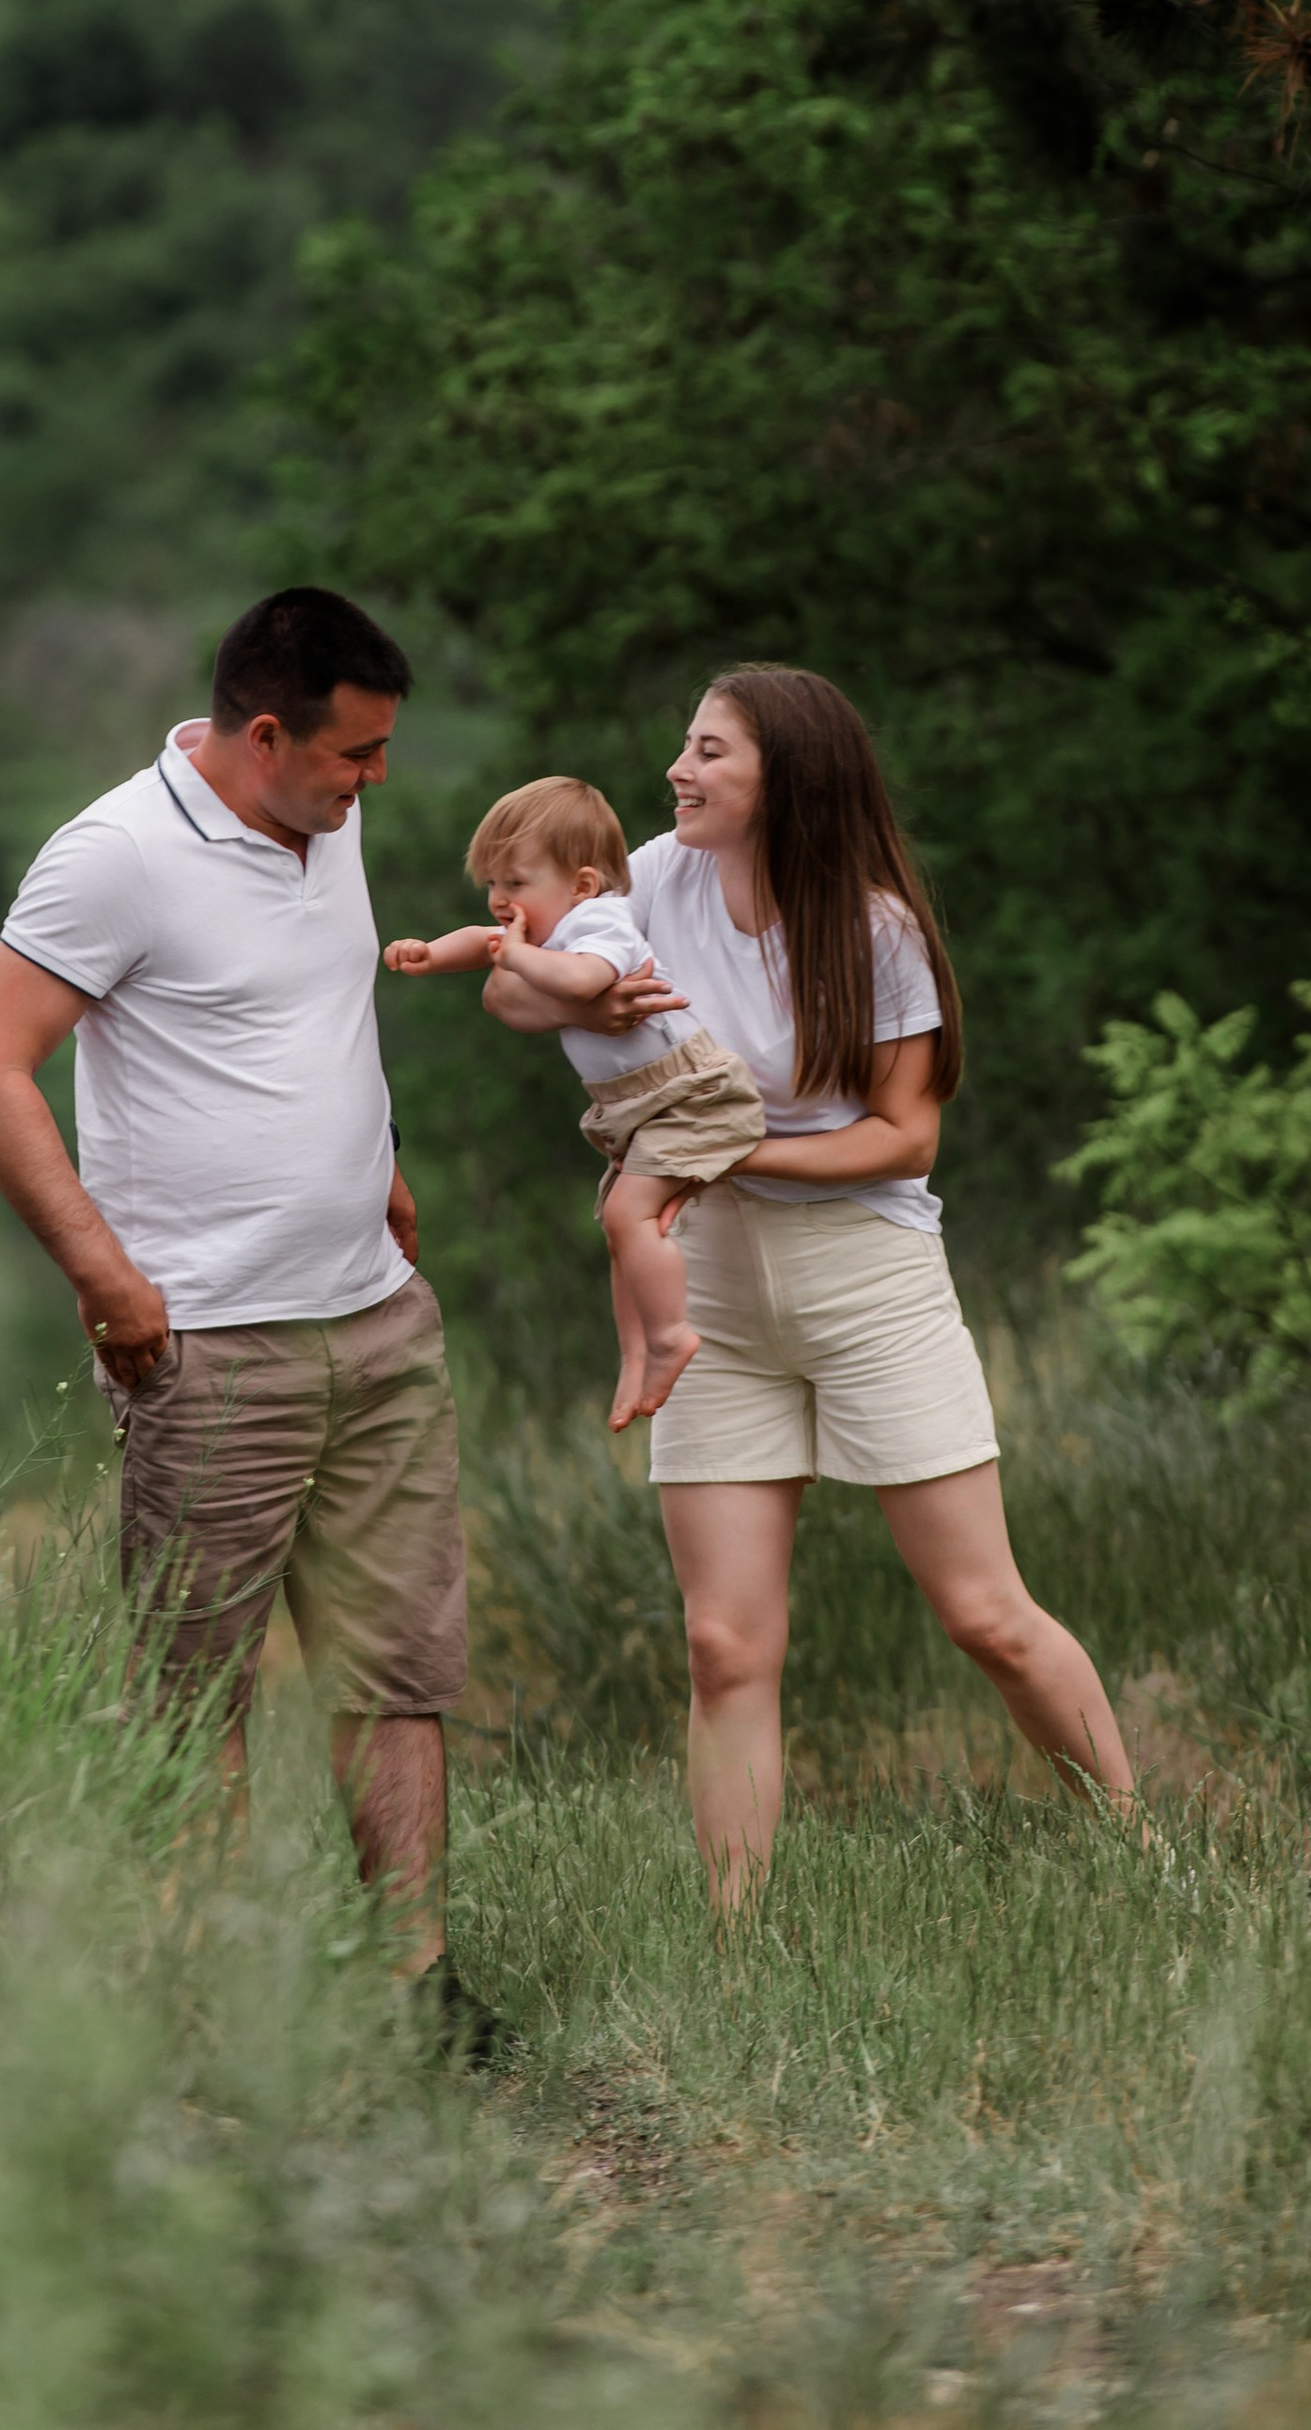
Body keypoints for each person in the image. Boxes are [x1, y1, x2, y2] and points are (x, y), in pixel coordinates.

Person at [486, 663, 1136, 1901]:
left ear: (788, 776)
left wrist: (726, 1152)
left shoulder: (876, 928)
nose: (678, 769)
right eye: (685, 743)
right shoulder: (649, 883)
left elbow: (904, 1136)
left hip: (865, 1273)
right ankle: (737, 1944)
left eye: (710, 750)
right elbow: (513, 969)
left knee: (986, 1615)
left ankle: (1142, 1853)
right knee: (725, 1643)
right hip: (711, 1285)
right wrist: (563, 987)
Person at [0, 585, 488, 2039]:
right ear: (263, 734)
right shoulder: (113, 858)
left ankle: (413, 1983)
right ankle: (212, 1997)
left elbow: (312, 1019)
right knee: (198, 1685)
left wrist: (378, 1165)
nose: (377, 782)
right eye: (355, 755)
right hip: (214, 1344)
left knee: (396, 1661)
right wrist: (106, 1278)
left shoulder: (327, 818)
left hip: (378, 1320)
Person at [384, 775, 766, 1432]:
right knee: (620, 1234)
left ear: (583, 884)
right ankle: (634, 1352)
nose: (501, 901)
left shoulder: (600, 921)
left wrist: (521, 956)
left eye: (515, 884)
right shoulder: (543, 927)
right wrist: (429, 953)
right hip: (637, 1104)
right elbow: (483, 943)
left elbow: (585, 979)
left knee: (627, 1217)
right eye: (493, 885)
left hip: (689, 1094)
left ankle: (672, 1333)